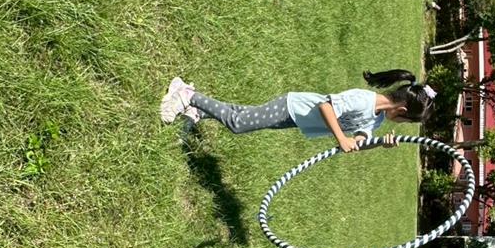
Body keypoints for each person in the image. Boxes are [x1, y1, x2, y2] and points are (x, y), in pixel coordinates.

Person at [160, 69, 437, 150]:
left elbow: (358, 140)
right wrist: (341, 137)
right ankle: (187, 94)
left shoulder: (376, 120)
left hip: (297, 121)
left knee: (242, 115)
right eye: (406, 121)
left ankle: (199, 111)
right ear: (402, 110)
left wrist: (377, 144)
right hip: (292, 107)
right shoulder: (363, 100)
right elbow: (326, 106)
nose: (401, 125)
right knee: (238, 124)